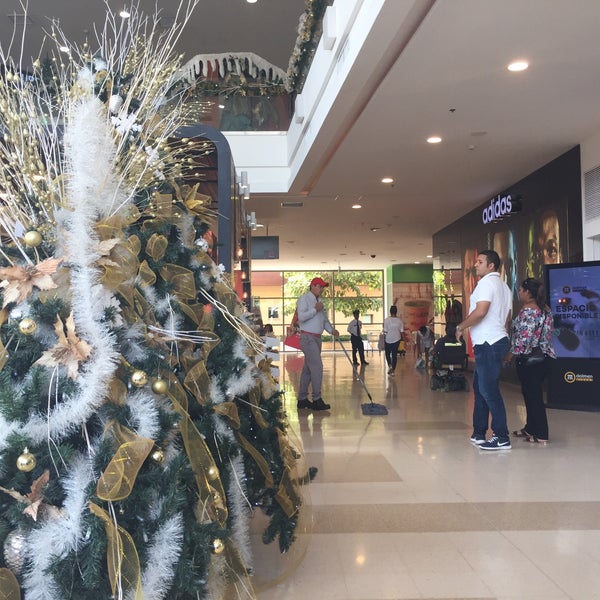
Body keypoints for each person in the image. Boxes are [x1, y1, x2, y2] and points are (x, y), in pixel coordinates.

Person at [456, 250, 512, 451]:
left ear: (491, 266)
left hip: (489, 343)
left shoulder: (487, 283)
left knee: (489, 391)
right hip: (494, 341)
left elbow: (480, 312)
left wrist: (460, 327)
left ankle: (502, 436)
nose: (475, 265)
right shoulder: (504, 287)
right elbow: (506, 318)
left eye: (480, 262)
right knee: (480, 389)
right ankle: (479, 432)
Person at [507, 277, 556, 444]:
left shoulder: (528, 311)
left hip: (529, 360)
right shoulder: (546, 310)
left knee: (533, 396)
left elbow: (523, 339)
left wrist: (511, 354)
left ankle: (541, 433)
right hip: (544, 357)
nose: (519, 292)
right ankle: (531, 428)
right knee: (530, 394)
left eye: (520, 290)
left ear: (528, 292)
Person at [296, 277, 339, 411]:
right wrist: (315, 309)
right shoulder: (304, 299)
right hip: (307, 338)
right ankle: (316, 399)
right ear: (313, 286)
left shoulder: (320, 301)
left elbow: (324, 320)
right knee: (317, 367)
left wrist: (332, 330)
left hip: (317, 339)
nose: (321, 289)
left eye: (322, 287)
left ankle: (302, 400)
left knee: (308, 370)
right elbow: (301, 317)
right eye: (319, 286)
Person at [383, 305, 404, 375]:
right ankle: (393, 370)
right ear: (396, 312)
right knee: (394, 355)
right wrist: (404, 341)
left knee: (387, 354)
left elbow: (385, 331)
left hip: (388, 339)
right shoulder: (399, 320)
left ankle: (390, 366)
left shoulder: (387, 320)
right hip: (397, 339)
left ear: (390, 311)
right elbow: (402, 331)